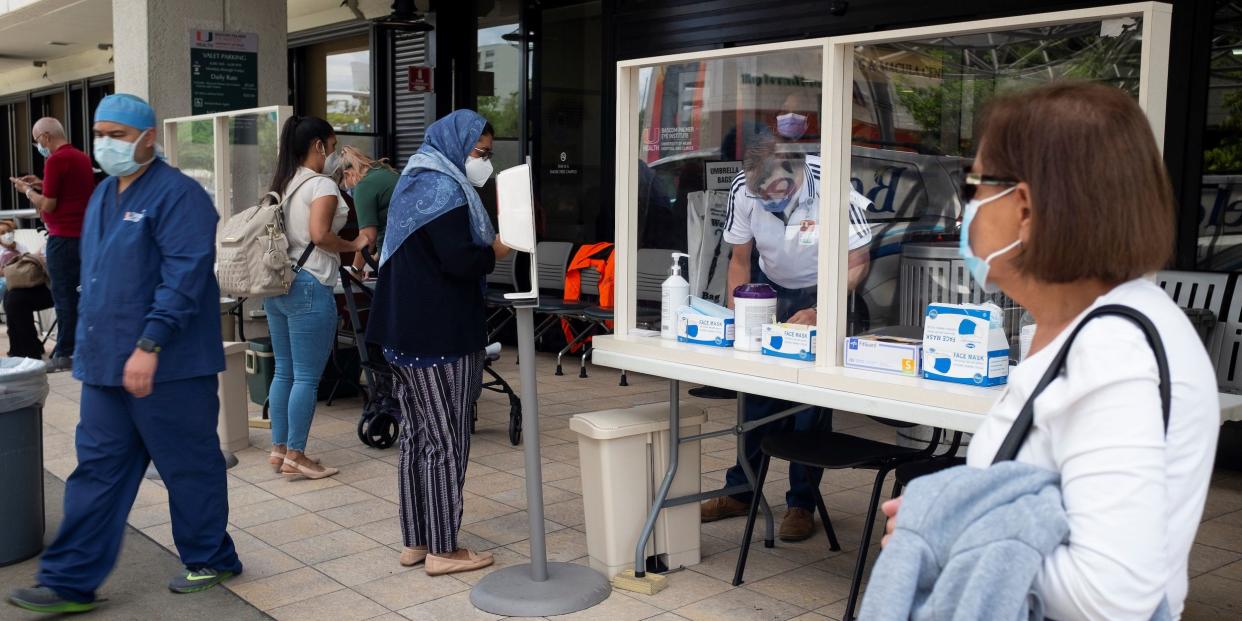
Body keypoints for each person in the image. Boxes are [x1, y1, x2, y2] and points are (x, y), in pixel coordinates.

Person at [880, 82, 1219, 619]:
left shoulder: (1114, 353)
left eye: (975, 186)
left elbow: (1111, 595)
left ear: (1027, 208)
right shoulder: (1077, 329)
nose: (966, 207)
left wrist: (942, 530)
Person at [7, 94, 241, 614]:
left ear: (148, 138)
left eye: (116, 133)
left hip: (171, 366)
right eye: (100, 133)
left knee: (188, 466)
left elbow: (184, 277)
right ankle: (68, 582)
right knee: (96, 471)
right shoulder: (103, 194)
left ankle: (212, 556)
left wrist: (150, 343)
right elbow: (97, 281)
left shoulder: (180, 196)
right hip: (108, 366)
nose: (105, 143)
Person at [699, 128, 874, 541]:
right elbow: (740, 259)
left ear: (795, 170)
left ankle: (801, 503)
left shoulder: (833, 185)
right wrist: (737, 311)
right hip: (768, 286)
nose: (767, 198)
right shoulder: (744, 189)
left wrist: (821, 309)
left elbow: (858, 260)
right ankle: (741, 491)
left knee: (808, 405)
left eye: (775, 189)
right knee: (755, 393)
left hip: (824, 287)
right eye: (761, 192)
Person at [367, 110, 509, 577]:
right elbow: (458, 260)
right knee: (446, 441)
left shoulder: (415, 177)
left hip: (403, 332)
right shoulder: (443, 188)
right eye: (480, 153)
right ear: (456, 144)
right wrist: (497, 250)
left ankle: (417, 539)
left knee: (416, 437)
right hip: (439, 336)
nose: (484, 163)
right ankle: (444, 549)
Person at [265, 116, 368, 480]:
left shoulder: (283, 182)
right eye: (332, 145)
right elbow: (320, 235)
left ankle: (279, 450)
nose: (334, 155)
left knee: (284, 371)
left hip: (278, 287)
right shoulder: (321, 185)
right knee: (306, 377)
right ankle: (297, 454)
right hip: (310, 286)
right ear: (318, 146)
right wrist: (353, 244)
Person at [8, 117, 96, 372]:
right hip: (84, 238)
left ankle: (66, 353)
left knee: (64, 296)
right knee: (80, 295)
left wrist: (28, 191)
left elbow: (49, 204)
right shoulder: (81, 157)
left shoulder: (56, 160)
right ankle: (78, 348)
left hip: (62, 238)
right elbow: (68, 193)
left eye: (37, 141)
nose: (39, 146)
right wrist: (39, 183)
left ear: (45, 137)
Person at [336, 145, 398, 274]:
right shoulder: (386, 172)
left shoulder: (364, 185)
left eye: (344, 186)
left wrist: (355, 270)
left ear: (348, 174)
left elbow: (368, 237)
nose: (348, 189)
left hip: (397, 255)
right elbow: (389, 221)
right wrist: (374, 259)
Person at [0, 219, 28, 300]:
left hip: (20, 278)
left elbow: (29, 263)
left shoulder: (21, 247)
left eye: (9, 231)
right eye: (2, 233)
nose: (7, 235)